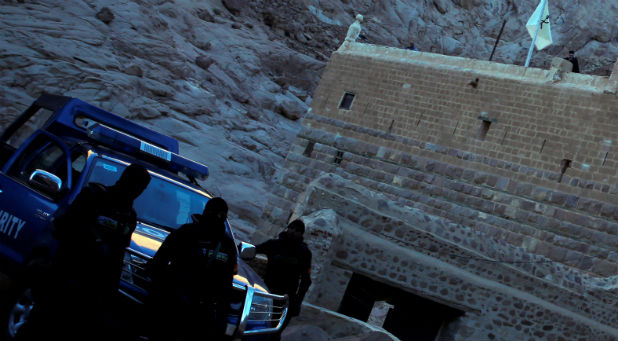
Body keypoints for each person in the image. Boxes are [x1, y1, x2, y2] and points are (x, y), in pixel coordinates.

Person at [16, 163, 151, 340]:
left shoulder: (129, 216)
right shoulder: (94, 196)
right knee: (41, 328)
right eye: (136, 185)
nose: (137, 191)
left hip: (93, 292)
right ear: (125, 180)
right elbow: (62, 228)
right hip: (66, 277)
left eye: (141, 188)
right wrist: (88, 241)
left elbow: (118, 255)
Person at [145, 197, 237, 341]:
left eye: (218, 214)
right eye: (215, 213)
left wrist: (221, 317)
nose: (216, 217)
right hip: (175, 303)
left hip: (201, 311)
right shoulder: (186, 233)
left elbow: (226, 285)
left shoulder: (226, 244)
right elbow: (159, 263)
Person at [256, 219, 312, 341]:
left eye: (297, 230)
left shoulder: (304, 252)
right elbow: (254, 250)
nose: (293, 232)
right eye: (292, 228)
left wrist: (297, 302)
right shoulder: (274, 244)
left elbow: (306, 280)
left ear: (301, 234)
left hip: (286, 298)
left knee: (274, 333)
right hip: (267, 294)